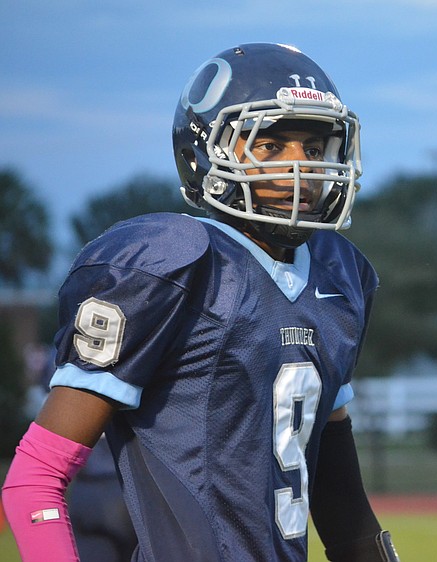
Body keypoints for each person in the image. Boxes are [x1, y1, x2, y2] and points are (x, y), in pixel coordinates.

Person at [2, 42, 399, 562]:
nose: (299, 165)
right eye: (270, 145)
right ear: (204, 152)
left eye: (313, 146)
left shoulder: (339, 273)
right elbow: (35, 478)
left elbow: (343, 506)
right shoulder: (171, 262)